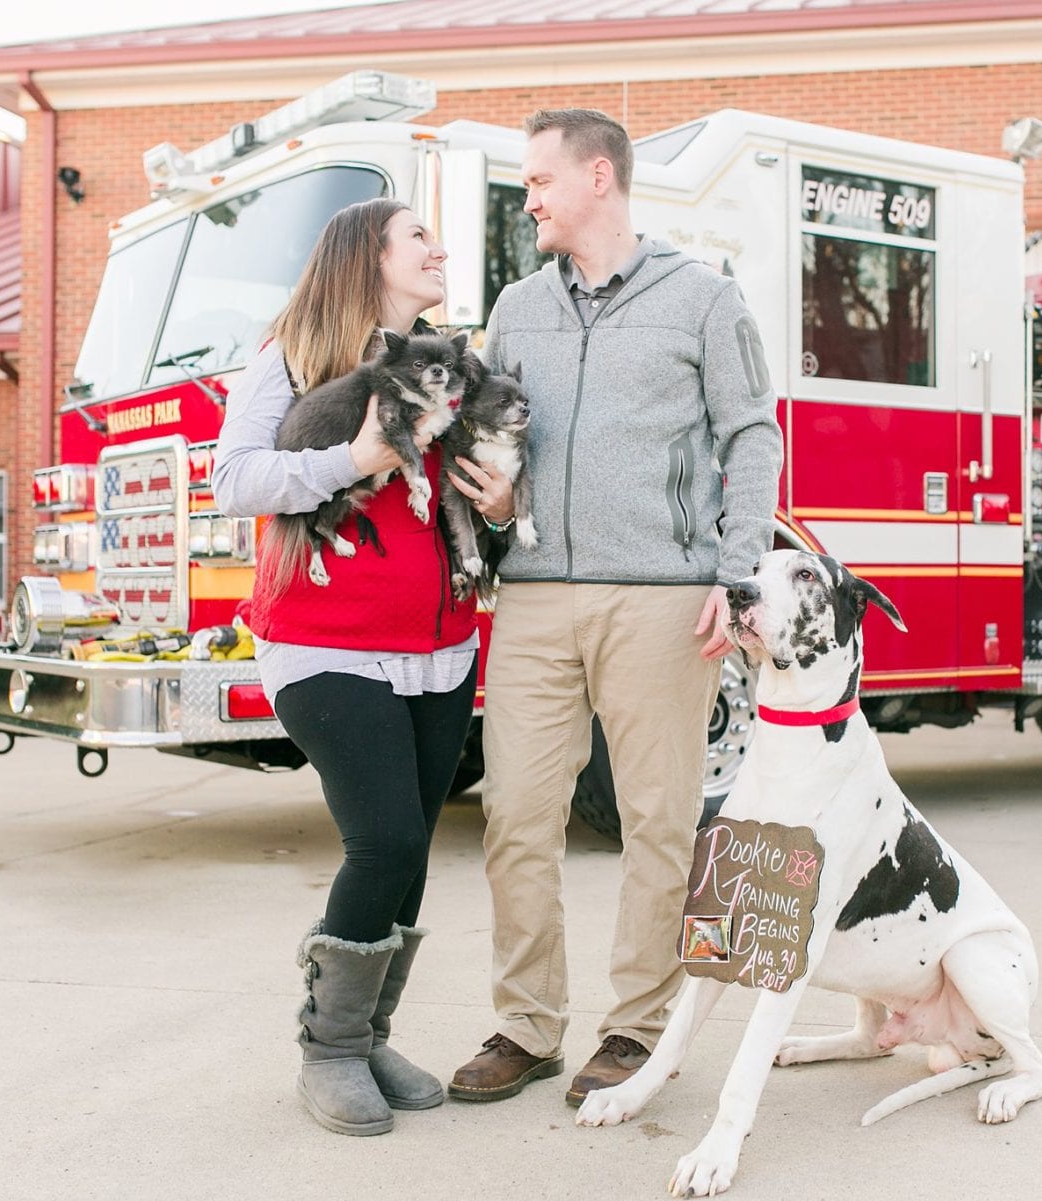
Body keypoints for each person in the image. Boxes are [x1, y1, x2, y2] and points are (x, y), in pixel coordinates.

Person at [447, 109, 782, 1106]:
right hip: (537, 597)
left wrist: (734, 573)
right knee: (515, 816)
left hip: (662, 599)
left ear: (600, 176)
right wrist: (498, 502)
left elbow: (752, 436)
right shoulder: (514, 307)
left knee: (658, 824)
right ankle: (526, 1025)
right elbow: (493, 434)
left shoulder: (704, 300)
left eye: (542, 179)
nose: (530, 197)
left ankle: (636, 1031)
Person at [213, 198, 515, 1137]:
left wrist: (501, 506)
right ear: (366, 257)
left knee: (414, 847)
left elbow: (470, 499)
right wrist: (352, 457)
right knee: (382, 838)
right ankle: (329, 1048)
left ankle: (371, 1031)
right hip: (324, 641)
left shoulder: (446, 361)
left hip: (441, 646)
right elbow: (233, 477)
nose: (440, 249)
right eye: (418, 237)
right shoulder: (293, 354)